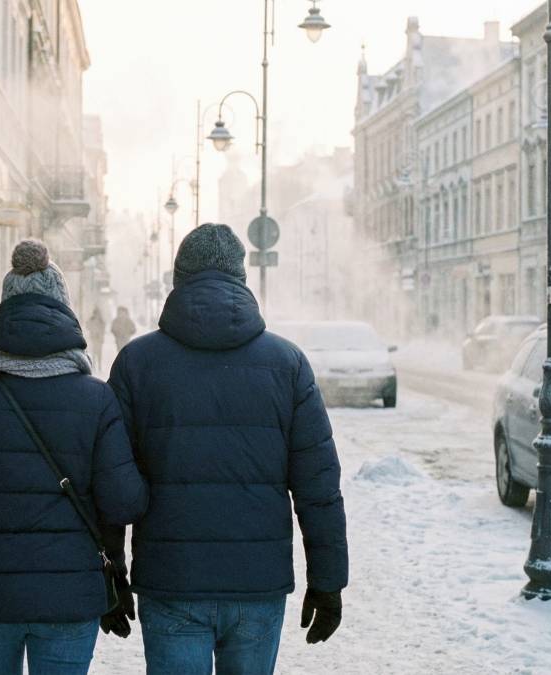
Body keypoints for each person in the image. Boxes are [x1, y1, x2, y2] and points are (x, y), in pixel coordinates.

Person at [105, 223, 348, 675]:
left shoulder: (137, 363)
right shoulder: (287, 363)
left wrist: (110, 574)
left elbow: (111, 482)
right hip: (257, 582)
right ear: (241, 279)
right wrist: (328, 581)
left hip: (170, 579)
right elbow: (318, 486)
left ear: (178, 278)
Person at [0, 239, 149, 675]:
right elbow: (122, 503)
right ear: (65, 311)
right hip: (70, 596)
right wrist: (116, 573)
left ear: (3, 312)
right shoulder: (96, 399)